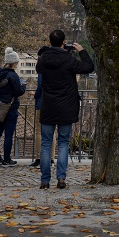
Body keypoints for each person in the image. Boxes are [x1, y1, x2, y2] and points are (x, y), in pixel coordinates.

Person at [36, 29, 95, 189]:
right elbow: (88, 67)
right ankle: (61, 178)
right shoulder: (68, 60)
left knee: (46, 143)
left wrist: (47, 51)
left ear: (50, 42)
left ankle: (45, 180)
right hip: (67, 106)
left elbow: (40, 66)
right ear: (64, 43)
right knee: (63, 142)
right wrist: (81, 51)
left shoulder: (42, 60)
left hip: (48, 105)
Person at [0, 47, 26, 166]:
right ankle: (6, 159)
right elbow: (18, 91)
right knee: (8, 135)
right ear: (13, 62)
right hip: (10, 108)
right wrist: (23, 85)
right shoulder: (12, 76)